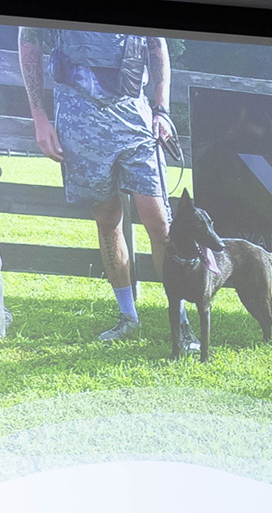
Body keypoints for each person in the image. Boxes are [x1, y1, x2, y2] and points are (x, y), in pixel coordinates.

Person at [18, 26, 174, 342]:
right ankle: (128, 317)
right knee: (106, 219)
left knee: (158, 221)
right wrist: (39, 117)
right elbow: (29, 42)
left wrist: (162, 108)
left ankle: (180, 320)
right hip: (78, 114)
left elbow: (157, 46)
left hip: (134, 112)